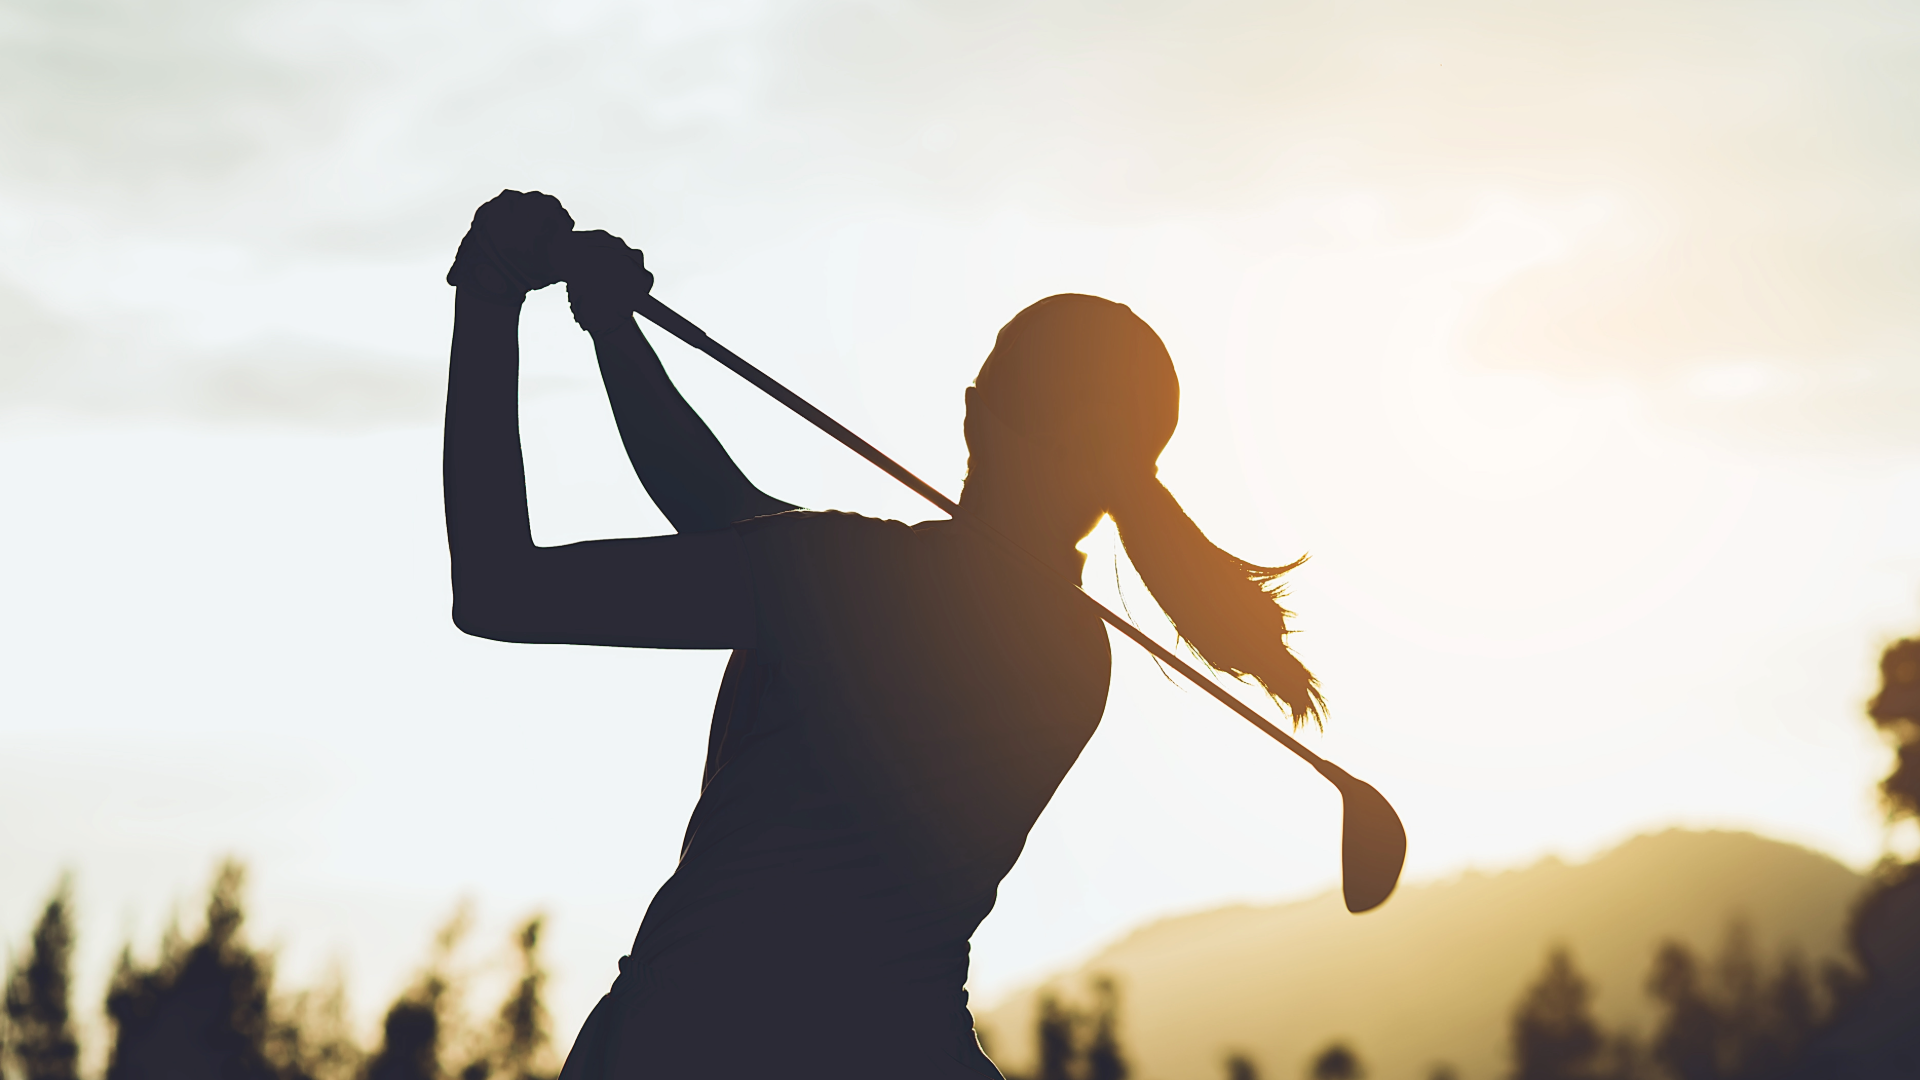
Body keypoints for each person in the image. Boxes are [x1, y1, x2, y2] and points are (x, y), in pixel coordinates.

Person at [442, 190, 1322, 1079]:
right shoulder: (1069, 649)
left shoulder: (850, 578)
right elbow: (725, 511)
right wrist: (611, 332)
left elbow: (500, 590)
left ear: (975, 413)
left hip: (690, 1040)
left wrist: (490, 293)